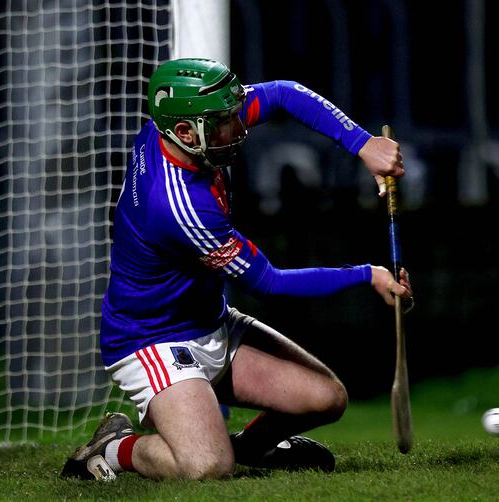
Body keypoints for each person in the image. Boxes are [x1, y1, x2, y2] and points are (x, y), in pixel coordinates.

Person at [61, 58, 412, 481]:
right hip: (153, 341)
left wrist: (362, 144)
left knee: (326, 398)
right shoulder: (180, 207)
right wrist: (367, 275)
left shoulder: (184, 126)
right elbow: (270, 282)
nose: (241, 127)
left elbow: (284, 92)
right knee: (207, 466)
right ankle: (115, 447)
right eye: (226, 122)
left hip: (212, 322)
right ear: (187, 133)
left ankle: (253, 448)